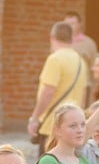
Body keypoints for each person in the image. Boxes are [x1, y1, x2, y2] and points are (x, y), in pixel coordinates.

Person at [27, 22, 87, 156]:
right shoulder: (80, 61)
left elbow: (48, 91)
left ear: (52, 37)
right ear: (71, 39)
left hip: (52, 125)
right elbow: (82, 98)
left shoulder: (54, 59)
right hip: (72, 126)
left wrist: (35, 118)